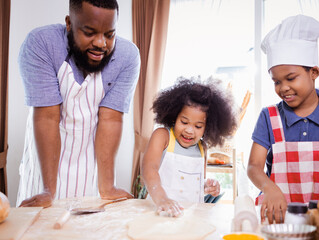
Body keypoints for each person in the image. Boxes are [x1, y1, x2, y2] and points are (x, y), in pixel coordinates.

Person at [17, 0, 140, 207]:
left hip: (93, 175)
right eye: (90, 32)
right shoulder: (42, 43)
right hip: (43, 172)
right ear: (69, 23)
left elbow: (110, 119)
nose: (101, 43)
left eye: (109, 35)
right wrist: (48, 190)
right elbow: (47, 117)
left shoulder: (127, 57)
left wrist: (107, 187)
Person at [247, 15, 319, 224]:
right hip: (281, 224)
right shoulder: (269, 117)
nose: (283, 88)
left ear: (314, 72)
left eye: (291, 78)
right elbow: (254, 166)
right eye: (276, 81)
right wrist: (269, 188)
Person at [141, 78, 238, 217]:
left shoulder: (202, 148)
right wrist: (162, 199)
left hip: (190, 217)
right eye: (184, 122)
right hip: (159, 214)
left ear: (208, 126)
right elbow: (149, 169)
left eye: (198, 126)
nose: (189, 130)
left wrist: (206, 186)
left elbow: (192, 184)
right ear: (174, 116)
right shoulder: (163, 136)